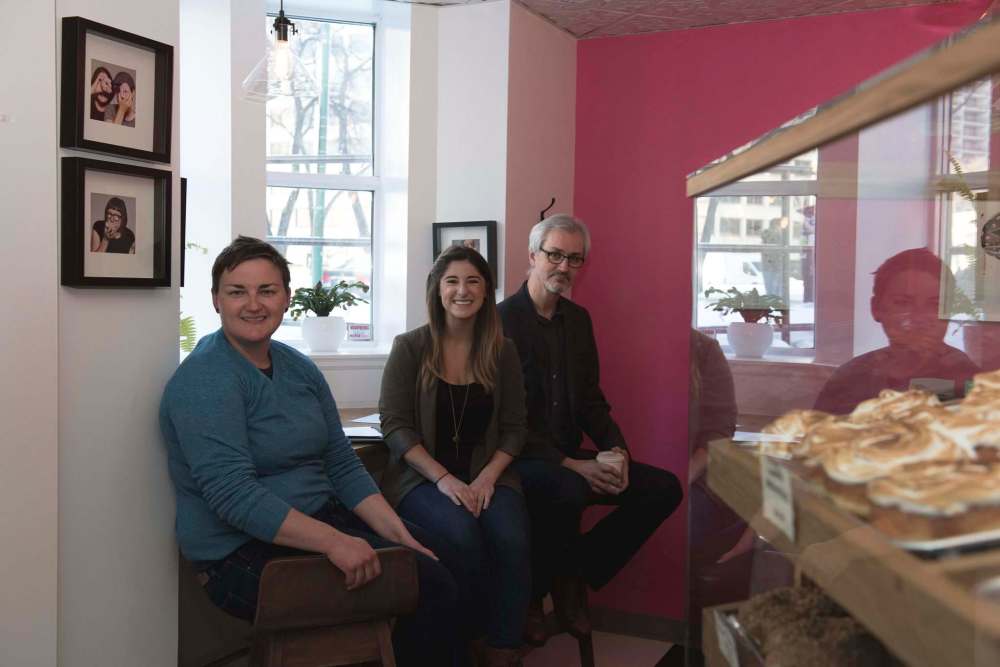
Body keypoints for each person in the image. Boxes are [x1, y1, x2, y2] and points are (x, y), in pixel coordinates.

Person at [160, 236, 458, 666]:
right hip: (240, 555)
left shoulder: (299, 367)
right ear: (215, 301)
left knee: (438, 553)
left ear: (286, 298)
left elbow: (340, 461)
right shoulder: (205, 379)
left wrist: (396, 532)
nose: (253, 304)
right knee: (428, 586)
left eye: (267, 290)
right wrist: (336, 543)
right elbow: (233, 496)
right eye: (236, 291)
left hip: (317, 524)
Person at [497, 214, 684, 645]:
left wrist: (616, 452)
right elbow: (509, 419)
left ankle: (573, 572)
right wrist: (571, 466)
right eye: (555, 255)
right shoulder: (500, 322)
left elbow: (591, 403)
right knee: (566, 490)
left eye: (574, 259)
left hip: (568, 456)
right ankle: (540, 594)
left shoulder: (579, 321)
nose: (563, 267)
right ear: (532, 256)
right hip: (520, 460)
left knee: (663, 488)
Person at [379, 245, 530, 667]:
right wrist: (444, 479)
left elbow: (516, 428)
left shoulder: (503, 351)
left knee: (512, 538)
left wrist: (487, 479)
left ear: (486, 292)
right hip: (423, 479)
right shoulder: (409, 347)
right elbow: (395, 425)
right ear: (437, 290)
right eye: (452, 281)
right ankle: (464, 641)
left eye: (473, 281)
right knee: (461, 535)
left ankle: (502, 647)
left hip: (491, 475)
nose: (462, 291)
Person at [815, 247, 980, 414]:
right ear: (877, 308)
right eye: (903, 303)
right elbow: (818, 434)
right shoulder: (851, 376)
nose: (918, 316)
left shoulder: (966, 377)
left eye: (934, 305)